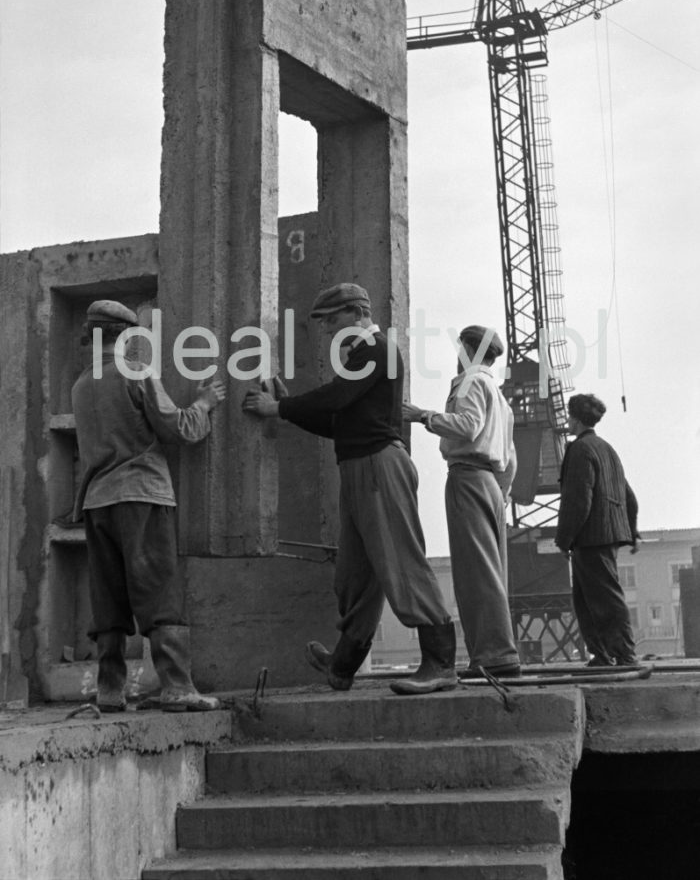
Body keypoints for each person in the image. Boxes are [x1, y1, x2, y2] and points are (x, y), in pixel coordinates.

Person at [243, 282, 457, 696]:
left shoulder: (376, 348)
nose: (327, 330)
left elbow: (337, 399)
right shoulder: (362, 356)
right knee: (355, 577)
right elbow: (337, 423)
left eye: (333, 319)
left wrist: (280, 408)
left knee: (401, 561)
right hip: (361, 466)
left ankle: (440, 663)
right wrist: (289, 412)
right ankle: (342, 666)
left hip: (379, 466)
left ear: (359, 312)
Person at [71, 299, 226, 712]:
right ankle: (176, 686)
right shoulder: (134, 373)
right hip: (141, 494)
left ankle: (109, 690)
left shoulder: (81, 385)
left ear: (91, 334)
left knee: (109, 596)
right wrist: (206, 404)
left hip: (96, 503)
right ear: (126, 336)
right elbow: (178, 428)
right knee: (159, 592)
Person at [404, 325, 521, 679]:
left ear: (469, 349)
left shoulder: (469, 382)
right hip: (493, 485)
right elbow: (511, 457)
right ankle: (494, 652)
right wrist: (501, 491)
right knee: (492, 571)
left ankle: (494, 656)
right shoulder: (501, 398)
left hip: (468, 476)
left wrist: (423, 416)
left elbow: (468, 426)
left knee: (475, 574)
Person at [555, 393, 640, 667]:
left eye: (569, 416)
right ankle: (601, 655)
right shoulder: (607, 449)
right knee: (586, 600)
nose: (567, 421)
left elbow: (578, 500)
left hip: (590, 538)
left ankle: (625, 654)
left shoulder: (579, 450)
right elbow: (629, 497)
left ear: (576, 419)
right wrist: (632, 530)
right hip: (606, 535)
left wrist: (564, 538)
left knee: (604, 599)